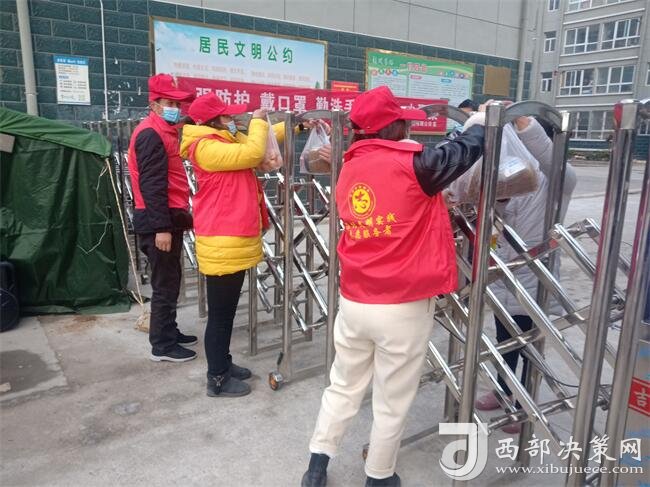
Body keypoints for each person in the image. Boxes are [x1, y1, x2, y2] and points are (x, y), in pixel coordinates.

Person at [301, 86, 485, 487]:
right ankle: (379, 475)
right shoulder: (416, 166)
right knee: (392, 398)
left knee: (343, 384)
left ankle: (316, 467)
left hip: (354, 299)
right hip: (402, 304)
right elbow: (464, 151)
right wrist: (480, 122)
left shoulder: (348, 167)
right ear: (396, 126)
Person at [180, 93, 314, 398]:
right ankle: (216, 378)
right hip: (221, 240)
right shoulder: (205, 147)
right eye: (227, 117)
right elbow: (254, 153)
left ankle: (223, 363)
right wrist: (256, 120)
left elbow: (263, 139)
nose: (232, 121)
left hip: (231, 237)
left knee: (225, 311)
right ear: (214, 121)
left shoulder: (224, 139)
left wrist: (296, 126)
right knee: (220, 314)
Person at [465, 107, 577, 433]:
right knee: (504, 338)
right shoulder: (513, 173)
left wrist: (524, 123)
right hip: (504, 268)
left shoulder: (559, 180)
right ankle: (503, 390)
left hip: (535, 273)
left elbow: (553, 160)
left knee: (529, 344)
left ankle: (524, 404)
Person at [127, 73, 198, 363]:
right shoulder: (150, 134)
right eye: (169, 103)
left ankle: (169, 330)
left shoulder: (163, 130)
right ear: (154, 104)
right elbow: (152, 185)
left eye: (178, 104)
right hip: (158, 220)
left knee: (170, 279)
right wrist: (162, 228)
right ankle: (162, 345)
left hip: (166, 217)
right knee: (164, 284)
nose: (175, 109)